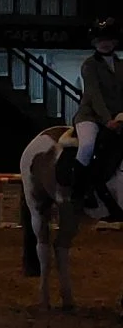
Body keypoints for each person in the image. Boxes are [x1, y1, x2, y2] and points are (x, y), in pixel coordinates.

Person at [71, 17, 123, 202]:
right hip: (90, 116)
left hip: (117, 118)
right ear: (94, 42)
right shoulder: (89, 65)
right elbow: (95, 95)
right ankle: (79, 191)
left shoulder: (121, 65)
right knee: (86, 146)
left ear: (115, 41)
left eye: (108, 39)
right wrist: (108, 119)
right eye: (100, 40)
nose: (105, 43)